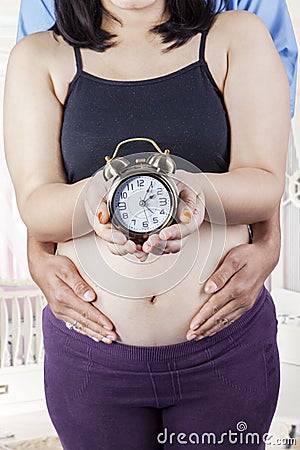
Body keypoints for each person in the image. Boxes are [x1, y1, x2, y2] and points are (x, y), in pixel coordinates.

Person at [4, 1, 290, 449]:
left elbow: (264, 183)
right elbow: (36, 205)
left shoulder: (239, 35)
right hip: (93, 359)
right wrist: (95, 198)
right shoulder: (38, 56)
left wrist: (192, 191)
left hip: (222, 352)